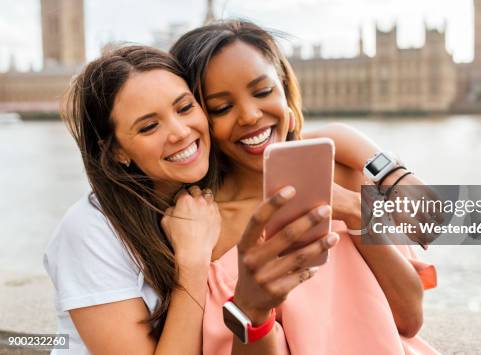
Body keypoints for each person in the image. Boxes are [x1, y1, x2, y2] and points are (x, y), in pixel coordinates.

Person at [44, 46, 336, 354]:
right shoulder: (91, 231)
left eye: (184, 108)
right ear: (116, 151)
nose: (180, 132)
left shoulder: (211, 186)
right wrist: (193, 264)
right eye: (149, 126)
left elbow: (297, 140)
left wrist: (371, 179)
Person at [170, 19, 438, 354]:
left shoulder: (344, 177)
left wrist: (357, 212)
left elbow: (409, 319)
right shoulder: (201, 229)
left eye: (263, 91)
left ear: (284, 90)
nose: (250, 115)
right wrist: (253, 309)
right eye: (222, 107)